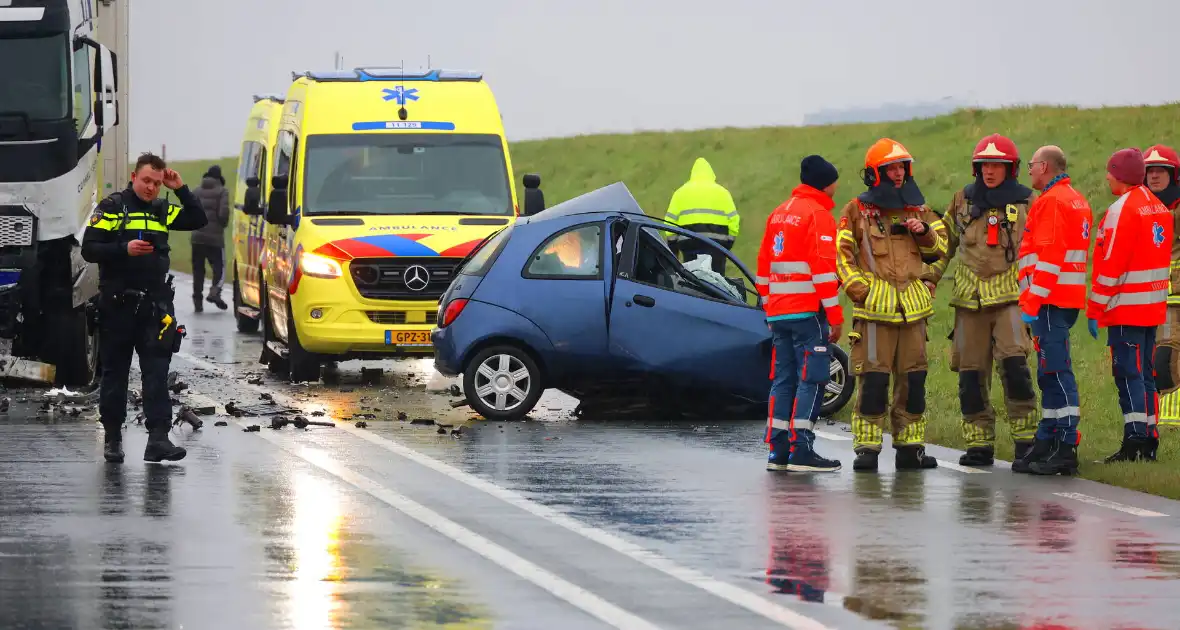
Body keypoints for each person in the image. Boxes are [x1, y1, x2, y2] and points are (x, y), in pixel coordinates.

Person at [82, 152, 209, 464]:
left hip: (154, 308)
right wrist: (123, 249)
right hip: (118, 305)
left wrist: (180, 189)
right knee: (115, 374)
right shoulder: (113, 208)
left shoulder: (162, 210)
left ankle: (158, 440)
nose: (151, 187)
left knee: (156, 373)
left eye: (156, 182)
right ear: (133, 177)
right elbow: (89, 248)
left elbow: (197, 219)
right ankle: (113, 439)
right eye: (146, 181)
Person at [924, 134, 1038, 466]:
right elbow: (943, 243)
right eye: (984, 165)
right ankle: (979, 444)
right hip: (968, 302)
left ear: (1011, 168)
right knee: (970, 375)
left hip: (1011, 300)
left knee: (1015, 370)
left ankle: (1026, 443)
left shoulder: (1029, 203)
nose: (989, 171)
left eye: (996, 165)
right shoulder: (962, 201)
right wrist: (930, 279)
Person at [835, 138, 949, 472]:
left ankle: (910, 449)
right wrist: (861, 290)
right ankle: (867, 450)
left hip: (913, 315)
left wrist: (923, 232)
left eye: (901, 167)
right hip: (873, 315)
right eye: (890, 168)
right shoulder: (856, 210)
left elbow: (940, 249)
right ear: (874, 174)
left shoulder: (920, 209)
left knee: (913, 384)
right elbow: (841, 256)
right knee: (873, 383)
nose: (898, 174)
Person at [757, 155, 844, 472]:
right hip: (808, 313)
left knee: (783, 379)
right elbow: (822, 271)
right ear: (827, 183)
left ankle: (777, 451)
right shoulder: (818, 216)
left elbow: (763, 270)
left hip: (779, 313)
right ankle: (801, 449)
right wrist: (834, 316)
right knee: (812, 378)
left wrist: (770, 307)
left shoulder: (779, 213)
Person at [1088, 148, 1172, 464]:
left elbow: (1112, 264)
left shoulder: (1122, 210)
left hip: (1126, 307)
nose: (1107, 176)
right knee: (1146, 374)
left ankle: (1134, 441)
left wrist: (1096, 309)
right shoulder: (1157, 207)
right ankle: (1149, 438)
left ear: (1121, 174)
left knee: (1128, 374)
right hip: (1152, 307)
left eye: (1110, 171)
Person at [1015, 145, 1093, 475]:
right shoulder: (1074, 198)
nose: (1029, 170)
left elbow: (1050, 257)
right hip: (1063, 298)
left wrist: (1032, 301)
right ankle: (1048, 438)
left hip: (1049, 299)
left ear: (1044, 166)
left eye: (1032, 165)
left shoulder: (1053, 201)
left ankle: (1065, 445)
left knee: (1057, 373)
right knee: (1050, 373)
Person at [1143, 145, 1180, 426]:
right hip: (1145, 298)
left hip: (1173, 298)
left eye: (1160, 171)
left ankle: (1171, 421)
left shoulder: (1177, 208)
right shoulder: (1140, 208)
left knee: (1167, 360)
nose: (1154, 177)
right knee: (1150, 362)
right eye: (1150, 172)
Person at [663, 157, 740, 274]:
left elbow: (669, 223)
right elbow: (734, 221)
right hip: (717, 247)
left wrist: (674, 249)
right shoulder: (723, 193)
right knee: (718, 285)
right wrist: (727, 245)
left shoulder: (680, 194)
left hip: (689, 247)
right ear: (711, 174)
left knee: (693, 283)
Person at [191, 164, 230, 311]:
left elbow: (190, 212)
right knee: (219, 269)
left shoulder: (196, 191)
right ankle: (214, 293)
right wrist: (222, 225)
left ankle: (197, 300)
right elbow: (223, 213)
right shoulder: (222, 191)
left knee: (198, 270)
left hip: (197, 238)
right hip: (215, 238)